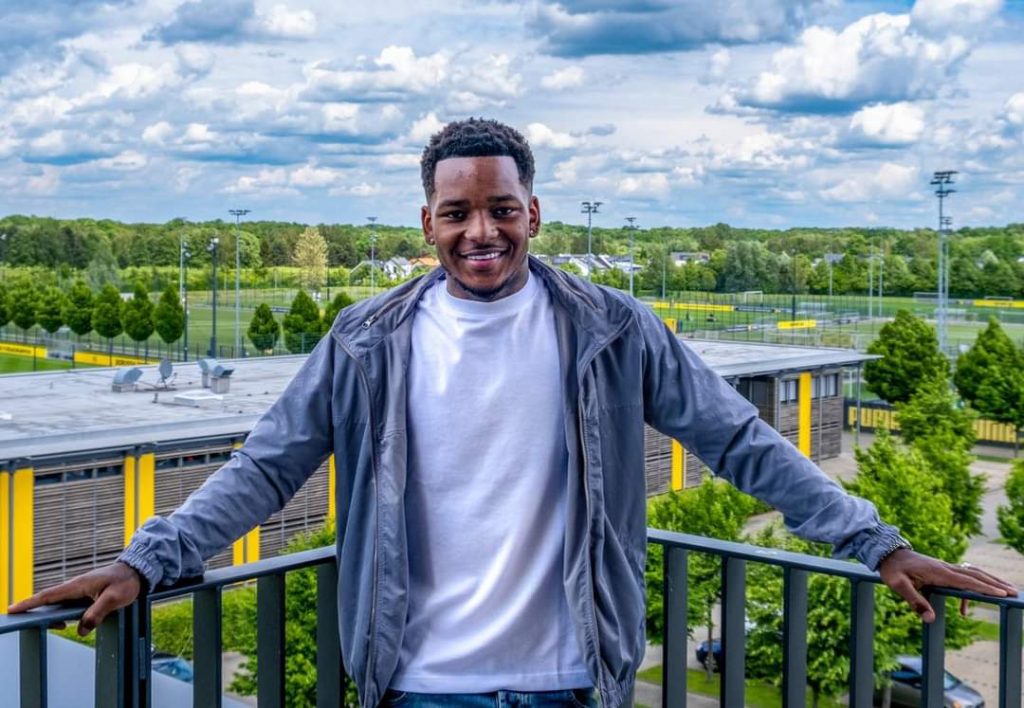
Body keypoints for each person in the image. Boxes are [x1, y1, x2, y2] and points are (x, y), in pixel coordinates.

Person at [11, 119, 1015, 707]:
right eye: (457, 212)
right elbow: (265, 466)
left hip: (571, 679)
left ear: (533, 211)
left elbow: (737, 439)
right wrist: (147, 561)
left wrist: (877, 543)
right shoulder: (366, 340)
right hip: (417, 683)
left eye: (501, 208)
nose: (480, 231)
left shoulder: (611, 328)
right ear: (428, 223)